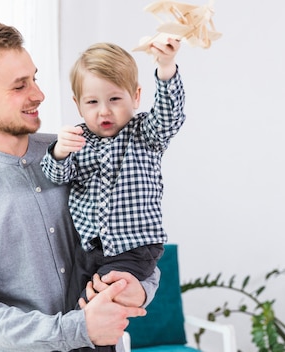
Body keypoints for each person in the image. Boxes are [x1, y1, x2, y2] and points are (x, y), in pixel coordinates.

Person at [0, 18, 160, 352]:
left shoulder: (83, 151)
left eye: (34, 78)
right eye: (20, 86)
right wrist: (78, 328)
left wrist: (140, 287)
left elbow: (137, 238)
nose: (39, 94)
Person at [40, 40, 184, 351]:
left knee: (98, 308)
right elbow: (56, 176)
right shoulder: (79, 140)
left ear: (136, 96)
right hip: (90, 250)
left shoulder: (145, 133)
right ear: (78, 104)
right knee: (76, 311)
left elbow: (170, 116)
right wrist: (59, 152)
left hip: (134, 248)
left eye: (115, 99)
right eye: (92, 102)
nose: (104, 111)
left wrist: (166, 67)